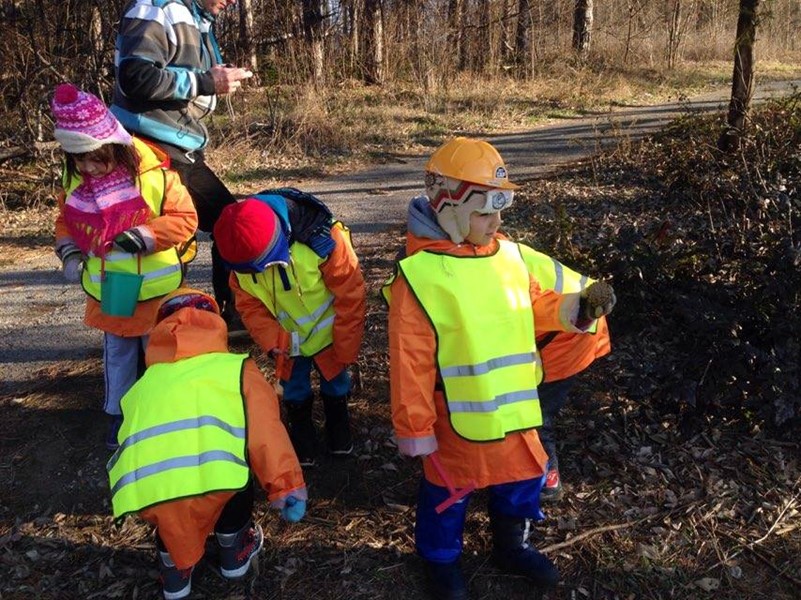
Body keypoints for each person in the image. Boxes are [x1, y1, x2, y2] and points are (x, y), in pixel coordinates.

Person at [383, 137, 616, 599]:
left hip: (517, 408)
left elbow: (536, 306)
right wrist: (415, 427)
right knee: (448, 493)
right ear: (449, 207)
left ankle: (512, 546)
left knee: (522, 480)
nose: (496, 223)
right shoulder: (420, 277)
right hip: (457, 416)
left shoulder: (508, 255)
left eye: (499, 212)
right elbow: (409, 360)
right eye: (484, 213)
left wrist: (578, 309)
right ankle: (440, 561)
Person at [106, 287, 307, 600]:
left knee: (169, 503)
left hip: (151, 491)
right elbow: (266, 433)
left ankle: (174, 567)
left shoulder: (144, 385)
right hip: (220, 482)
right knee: (231, 464)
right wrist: (287, 486)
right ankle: (234, 547)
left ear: (160, 330)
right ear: (216, 325)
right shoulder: (237, 370)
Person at [52, 83, 198, 451]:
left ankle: (159, 414)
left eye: (94, 158)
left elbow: (185, 219)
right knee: (118, 354)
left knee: (158, 353)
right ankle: (118, 415)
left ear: (114, 145)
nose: (87, 168)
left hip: (155, 290)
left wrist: (148, 235)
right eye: (78, 160)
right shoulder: (76, 181)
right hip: (113, 288)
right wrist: (69, 251)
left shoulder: (156, 175)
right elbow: (66, 221)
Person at [111, 0, 253, 326]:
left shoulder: (196, 18)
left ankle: (230, 319)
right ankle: (145, 332)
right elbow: (135, 76)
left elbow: (185, 76)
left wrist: (215, 78)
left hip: (182, 148)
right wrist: (205, 82)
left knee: (229, 223)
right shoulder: (154, 8)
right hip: (149, 150)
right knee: (168, 239)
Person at [212, 189, 366, 468]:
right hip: (287, 343)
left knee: (336, 383)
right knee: (294, 389)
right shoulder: (239, 259)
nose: (259, 274)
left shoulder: (323, 239)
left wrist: (347, 346)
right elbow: (250, 307)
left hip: (330, 336)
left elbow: (350, 293)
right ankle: (303, 437)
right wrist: (272, 342)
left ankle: (339, 431)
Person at [531, 262, 611, 501]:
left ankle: (548, 481)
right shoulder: (503, 251)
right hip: (578, 319)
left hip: (569, 333)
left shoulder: (497, 266)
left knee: (536, 415)